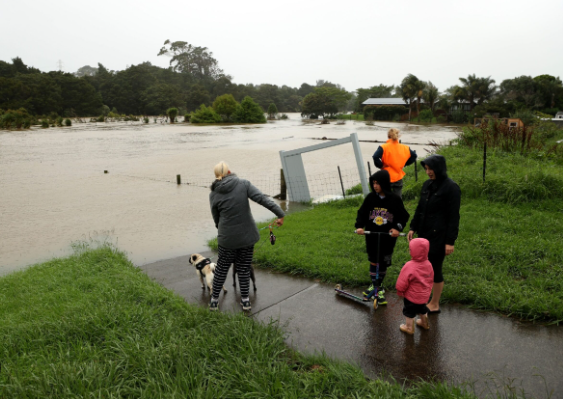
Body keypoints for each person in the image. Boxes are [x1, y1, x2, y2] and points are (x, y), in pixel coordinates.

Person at [209, 161, 285, 312]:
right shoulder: (243, 184)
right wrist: (280, 213)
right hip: (247, 237)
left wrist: (224, 231)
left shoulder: (214, 194)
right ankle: (245, 301)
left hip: (226, 239)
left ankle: (214, 301)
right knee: (244, 268)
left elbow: (216, 218)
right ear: (229, 171)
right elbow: (262, 199)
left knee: (221, 269)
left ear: (217, 176)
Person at [407, 154, 461, 314]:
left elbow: (454, 216)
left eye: (431, 169)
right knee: (423, 267)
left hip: (439, 236)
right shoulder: (427, 185)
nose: (428, 172)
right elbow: (420, 209)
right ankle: (424, 297)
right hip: (423, 234)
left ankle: (435, 303)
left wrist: (450, 241)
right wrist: (412, 227)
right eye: (426, 169)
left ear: (439, 168)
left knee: (434, 269)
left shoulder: (452, 188)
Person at [355, 170, 410, 304]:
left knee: (383, 262)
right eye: (373, 183)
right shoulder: (370, 198)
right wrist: (359, 226)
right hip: (372, 236)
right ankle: (375, 286)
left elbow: (403, 216)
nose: (375, 186)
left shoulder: (394, 199)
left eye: (378, 183)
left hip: (387, 237)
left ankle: (378, 286)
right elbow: (361, 213)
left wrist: (397, 228)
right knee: (374, 260)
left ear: (384, 183)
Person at [396, 238, 434, 335]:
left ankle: (409, 328)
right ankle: (425, 323)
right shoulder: (429, 264)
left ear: (413, 251)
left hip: (411, 297)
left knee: (409, 312)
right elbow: (431, 279)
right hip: (424, 296)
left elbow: (402, 281)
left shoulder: (409, 266)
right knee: (422, 309)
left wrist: (400, 291)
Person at [372, 128, 417, 198]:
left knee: (384, 197)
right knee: (398, 199)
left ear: (388, 136)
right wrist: (404, 164)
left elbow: (375, 157)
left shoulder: (383, 147)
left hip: (386, 177)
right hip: (398, 176)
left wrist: (381, 165)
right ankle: (397, 208)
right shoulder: (405, 147)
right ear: (398, 136)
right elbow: (414, 156)